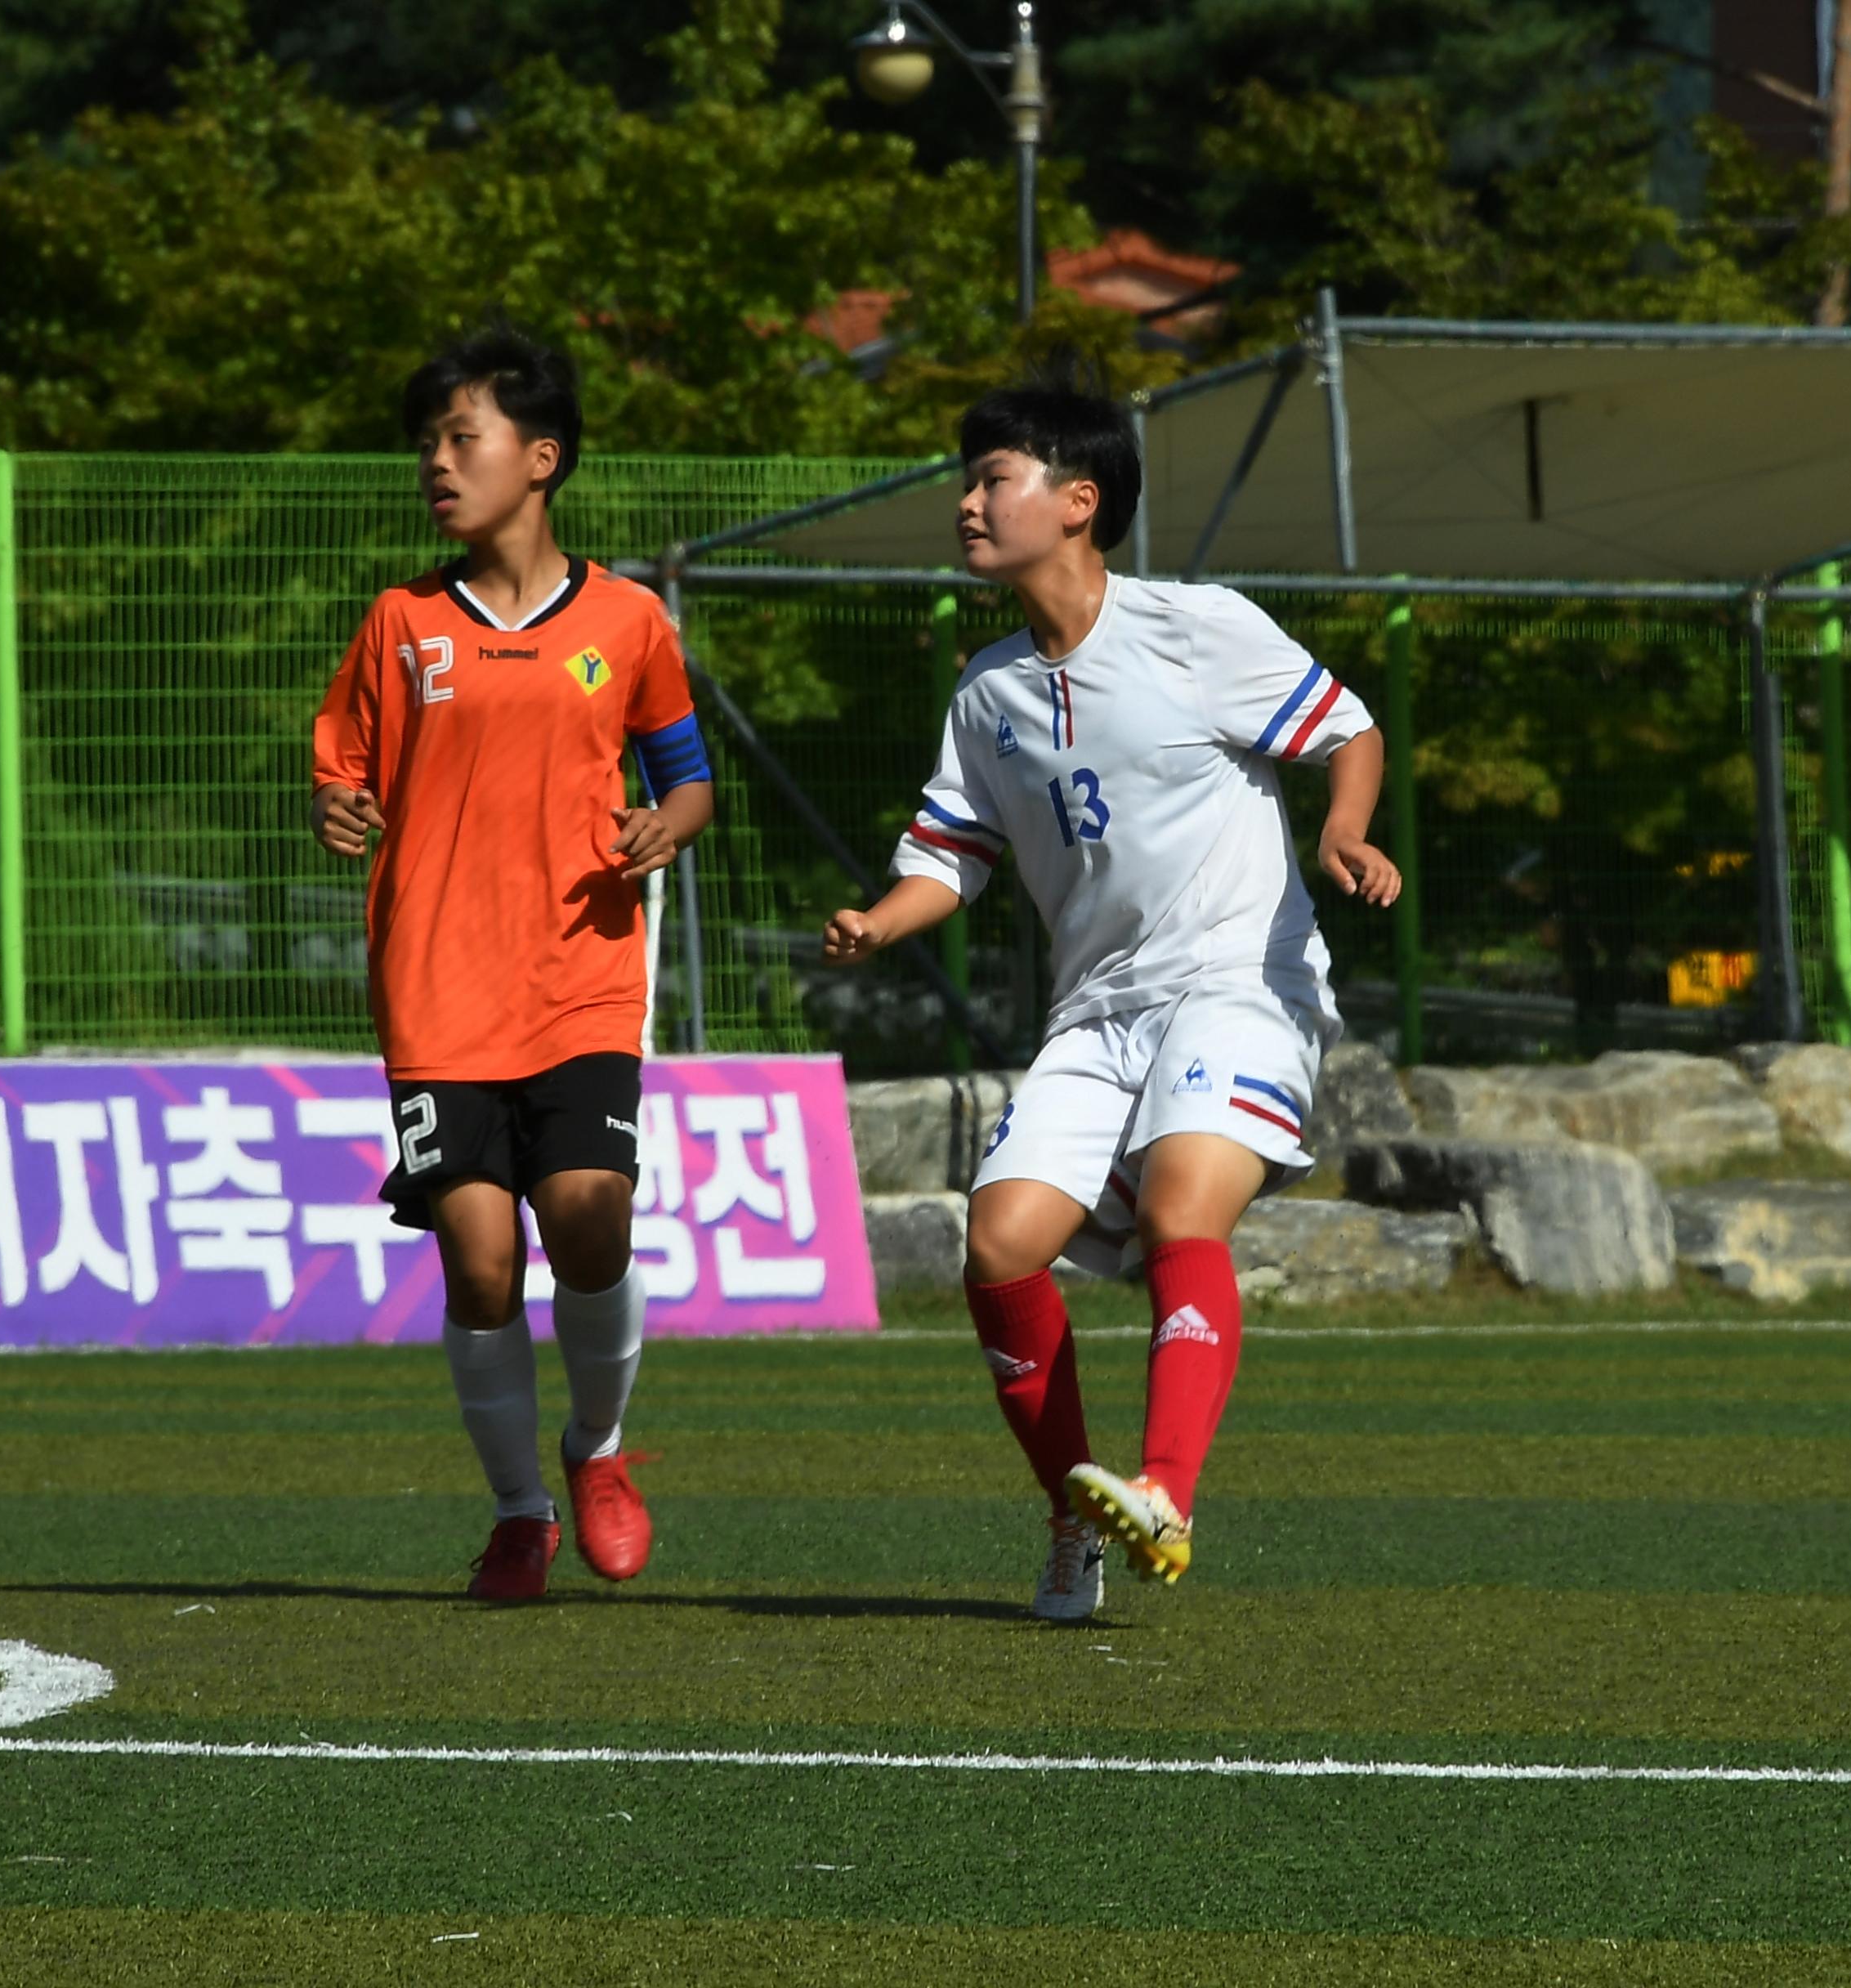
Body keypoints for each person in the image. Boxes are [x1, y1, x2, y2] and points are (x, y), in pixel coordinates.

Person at [821, 363, 1398, 1622]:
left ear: (1078, 500)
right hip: (1097, 1016)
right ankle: (1073, 1521)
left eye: (992, 479)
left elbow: (1350, 728)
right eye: (967, 482)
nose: (967, 503)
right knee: (998, 1245)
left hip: (1239, 979)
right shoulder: (987, 694)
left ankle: (1166, 1494)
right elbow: (949, 859)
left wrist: (1342, 832)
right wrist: (880, 915)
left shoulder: (1198, 627)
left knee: (1186, 1211)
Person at [310, 321, 713, 1602]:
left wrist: (669, 823)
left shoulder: (628, 619)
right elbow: (343, 769)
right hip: (436, 989)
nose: (437, 462)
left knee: (589, 1213)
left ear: (540, 459)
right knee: (480, 1260)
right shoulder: (399, 623)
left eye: (460, 437)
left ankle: (597, 1452)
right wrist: (337, 807)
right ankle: (518, 1511)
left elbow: (691, 778)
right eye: (428, 442)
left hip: (581, 972)